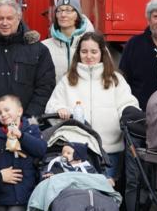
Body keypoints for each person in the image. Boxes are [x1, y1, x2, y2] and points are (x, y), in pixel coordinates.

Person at [45, 32, 139, 186]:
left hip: (109, 149)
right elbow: (52, 108)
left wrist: (126, 116)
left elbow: (128, 106)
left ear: (102, 53)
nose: (89, 56)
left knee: (107, 190)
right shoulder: (68, 79)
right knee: (80, 192)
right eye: (84, 51)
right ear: (78, 54)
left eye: (94, 52)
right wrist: (61, 109)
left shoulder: (115, 79)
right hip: (77, 150)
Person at [41, 0, 96, 81]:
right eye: (59, 10)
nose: (63, 15)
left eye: (68, 10)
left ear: (78, 15)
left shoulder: (95, 45)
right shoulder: (44, 47)